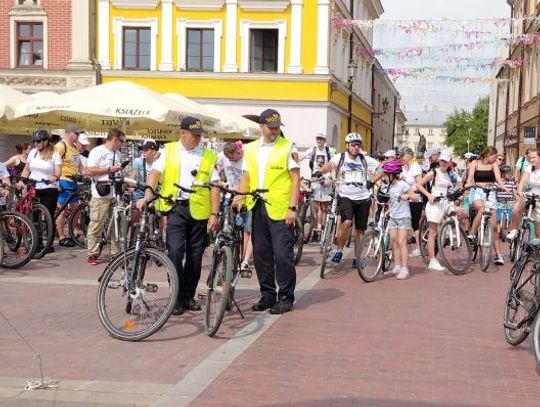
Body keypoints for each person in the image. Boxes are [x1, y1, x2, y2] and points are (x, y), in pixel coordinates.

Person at [138, 117, 220, 315]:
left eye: (200, 134)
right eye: (195, 134)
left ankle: (188, 296)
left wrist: (214, 214)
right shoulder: (169, 151)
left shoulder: (208, 155)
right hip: (175, 208)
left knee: (196, 255)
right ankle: (175, 295)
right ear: (182, 133)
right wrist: (148, 195)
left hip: (199, 210)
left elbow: (215, 185)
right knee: (174, 251)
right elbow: (155, 174)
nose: (198, 138)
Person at [235, 109, 300, 315]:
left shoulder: (288, 147)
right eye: (270, 128)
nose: (274, 131)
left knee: (282, 254)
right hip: (257, 205)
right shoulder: (251, 148)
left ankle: (286, 297)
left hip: (281, 207)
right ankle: (268, 294)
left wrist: (293, 207)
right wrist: (240, 197)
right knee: (261, 254)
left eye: (276, 128)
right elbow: (246, 177)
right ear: (261, 127)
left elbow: (295, 179)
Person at [319, 132, 379, 265]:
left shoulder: (365, 159)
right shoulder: (340, 157)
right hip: (345, 196)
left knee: (360, 230)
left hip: (363, 197)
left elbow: (382, 167)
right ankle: (339, 250)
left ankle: (357, 258)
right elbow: (331, 165)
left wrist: (373, 181)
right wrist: (322, 170)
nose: (356, 147)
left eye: (358, 145)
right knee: (346, 223)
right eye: (353, 145)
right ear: (347, 145)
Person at [416, 150, 463, 272]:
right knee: (433, 232)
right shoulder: (434, 172)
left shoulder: (451, 174)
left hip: (446, 202)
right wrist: (428, 195)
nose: (443, 162)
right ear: (439, 160)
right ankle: (432, 260)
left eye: (446, 161)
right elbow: (419, 185)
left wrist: (459, 189)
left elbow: (459, 184)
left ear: (449, 162)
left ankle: (451, 237)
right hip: (435, 202)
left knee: (461, 214)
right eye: (442, 160)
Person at [85, 128, 126, 265]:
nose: (122, 144)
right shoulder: (97, 151)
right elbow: (89, 171)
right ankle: (93, 253)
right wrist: (109, 169)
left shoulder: (118, 154)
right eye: (121, 141)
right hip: (100, 193)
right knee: (97, 224)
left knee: (116, 224)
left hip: (115, 192)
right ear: (115, 140)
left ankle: (115, 254)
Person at [19, 130, 61, 253]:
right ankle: (36, 243)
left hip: (49, 188)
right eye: (35, 141)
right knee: (34, 217)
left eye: (39, 141)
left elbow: (58, 172)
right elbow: (27, 169)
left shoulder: (55, 153)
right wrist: (22, 181)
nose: (36, 143)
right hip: (34, 187)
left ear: (46, 141)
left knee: (48, 216)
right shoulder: (33, 152)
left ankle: (48, 244)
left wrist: (54, 177)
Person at [465, 146, 508, 265]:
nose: (495, 159)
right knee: (482, 209)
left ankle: (498, 255)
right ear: (488, 155)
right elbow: (470, 177)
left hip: (491, 192)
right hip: (477, 191)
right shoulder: (475, 163)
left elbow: (498, 178)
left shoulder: (493, 164)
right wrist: (468, 183)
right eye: (494, 157)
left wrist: (503, 186)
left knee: (494, 227)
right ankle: (472, 234)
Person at [216, 140, 253, 271]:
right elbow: (215, 167)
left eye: (231, 158)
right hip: (230, 196)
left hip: (247, 196)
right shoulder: (222, 156)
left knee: (247, 229)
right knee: (228, 226)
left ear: (238, 152)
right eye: (227, 158)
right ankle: (229, 252)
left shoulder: (247, 159)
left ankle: (244, 258)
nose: (229, 161)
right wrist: (219, 180)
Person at [381, 159, 419, 280]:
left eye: (386, 174)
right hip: (393, 216)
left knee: (402, 241)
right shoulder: (389, 186)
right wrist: (389, 209)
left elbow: (416, 197)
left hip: (404, 217)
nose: (384, 177)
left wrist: (407, 196)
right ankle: (397, 266)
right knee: (394, 241)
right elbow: (391, 200)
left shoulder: (403, 184)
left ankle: (404, 268)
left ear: (392, 174)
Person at [301, 133, 335, 241]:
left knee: (324, 207)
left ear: (325, 140)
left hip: (326, 180)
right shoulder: (313, 150)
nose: (319, 140)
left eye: (321, 139)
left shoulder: (329, 151)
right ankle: (315, 228)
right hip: (315, 180)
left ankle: (321, 228)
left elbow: (334, 165)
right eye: (318, 139)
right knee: (315, 207)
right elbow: (302, 156)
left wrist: (330, 178)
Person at [55, 125, 84, 247]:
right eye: (77, 134)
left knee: (76, 209)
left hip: (73, 181)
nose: (78, 136)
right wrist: (56, 182)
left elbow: (80, 165)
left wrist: (87, 175)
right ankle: (62, 237)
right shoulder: (61, 146)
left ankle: (71, 234)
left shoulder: (74, 147)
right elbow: (54, 163)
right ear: (69, 133)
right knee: (62, 210)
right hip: (63, 180)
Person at [399, 147, 423, 257]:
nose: (401, 158)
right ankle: (401, 246)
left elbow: (419, 184)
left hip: (415, 199)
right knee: (403, 222)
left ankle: (419, 249)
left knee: (415, 224)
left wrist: (409, 192)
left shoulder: (415, 167)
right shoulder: (403, 168)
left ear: (409, 155)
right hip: (405, 198)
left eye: (403, 156)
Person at [516, 149, 540, 238]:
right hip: (531, 195)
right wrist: (519, 190)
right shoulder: (529, 167)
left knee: (538, 228)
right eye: (530, 158)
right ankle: (514, 231)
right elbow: (523, 181)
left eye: (534, 157)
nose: (531, 160)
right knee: (517, 207)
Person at [496, 164, 517, 240]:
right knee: (498, 217)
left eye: (510, 173)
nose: (509, 175)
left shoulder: (511, 182)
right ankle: (498, 230)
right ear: (502, 174)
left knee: (510, 216)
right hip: (499, 202)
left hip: (509, 201)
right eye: (507, 173)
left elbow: (514, 191)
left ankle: (509, 229)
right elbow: (494, 191)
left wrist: (517, 197)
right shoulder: (497, 183)